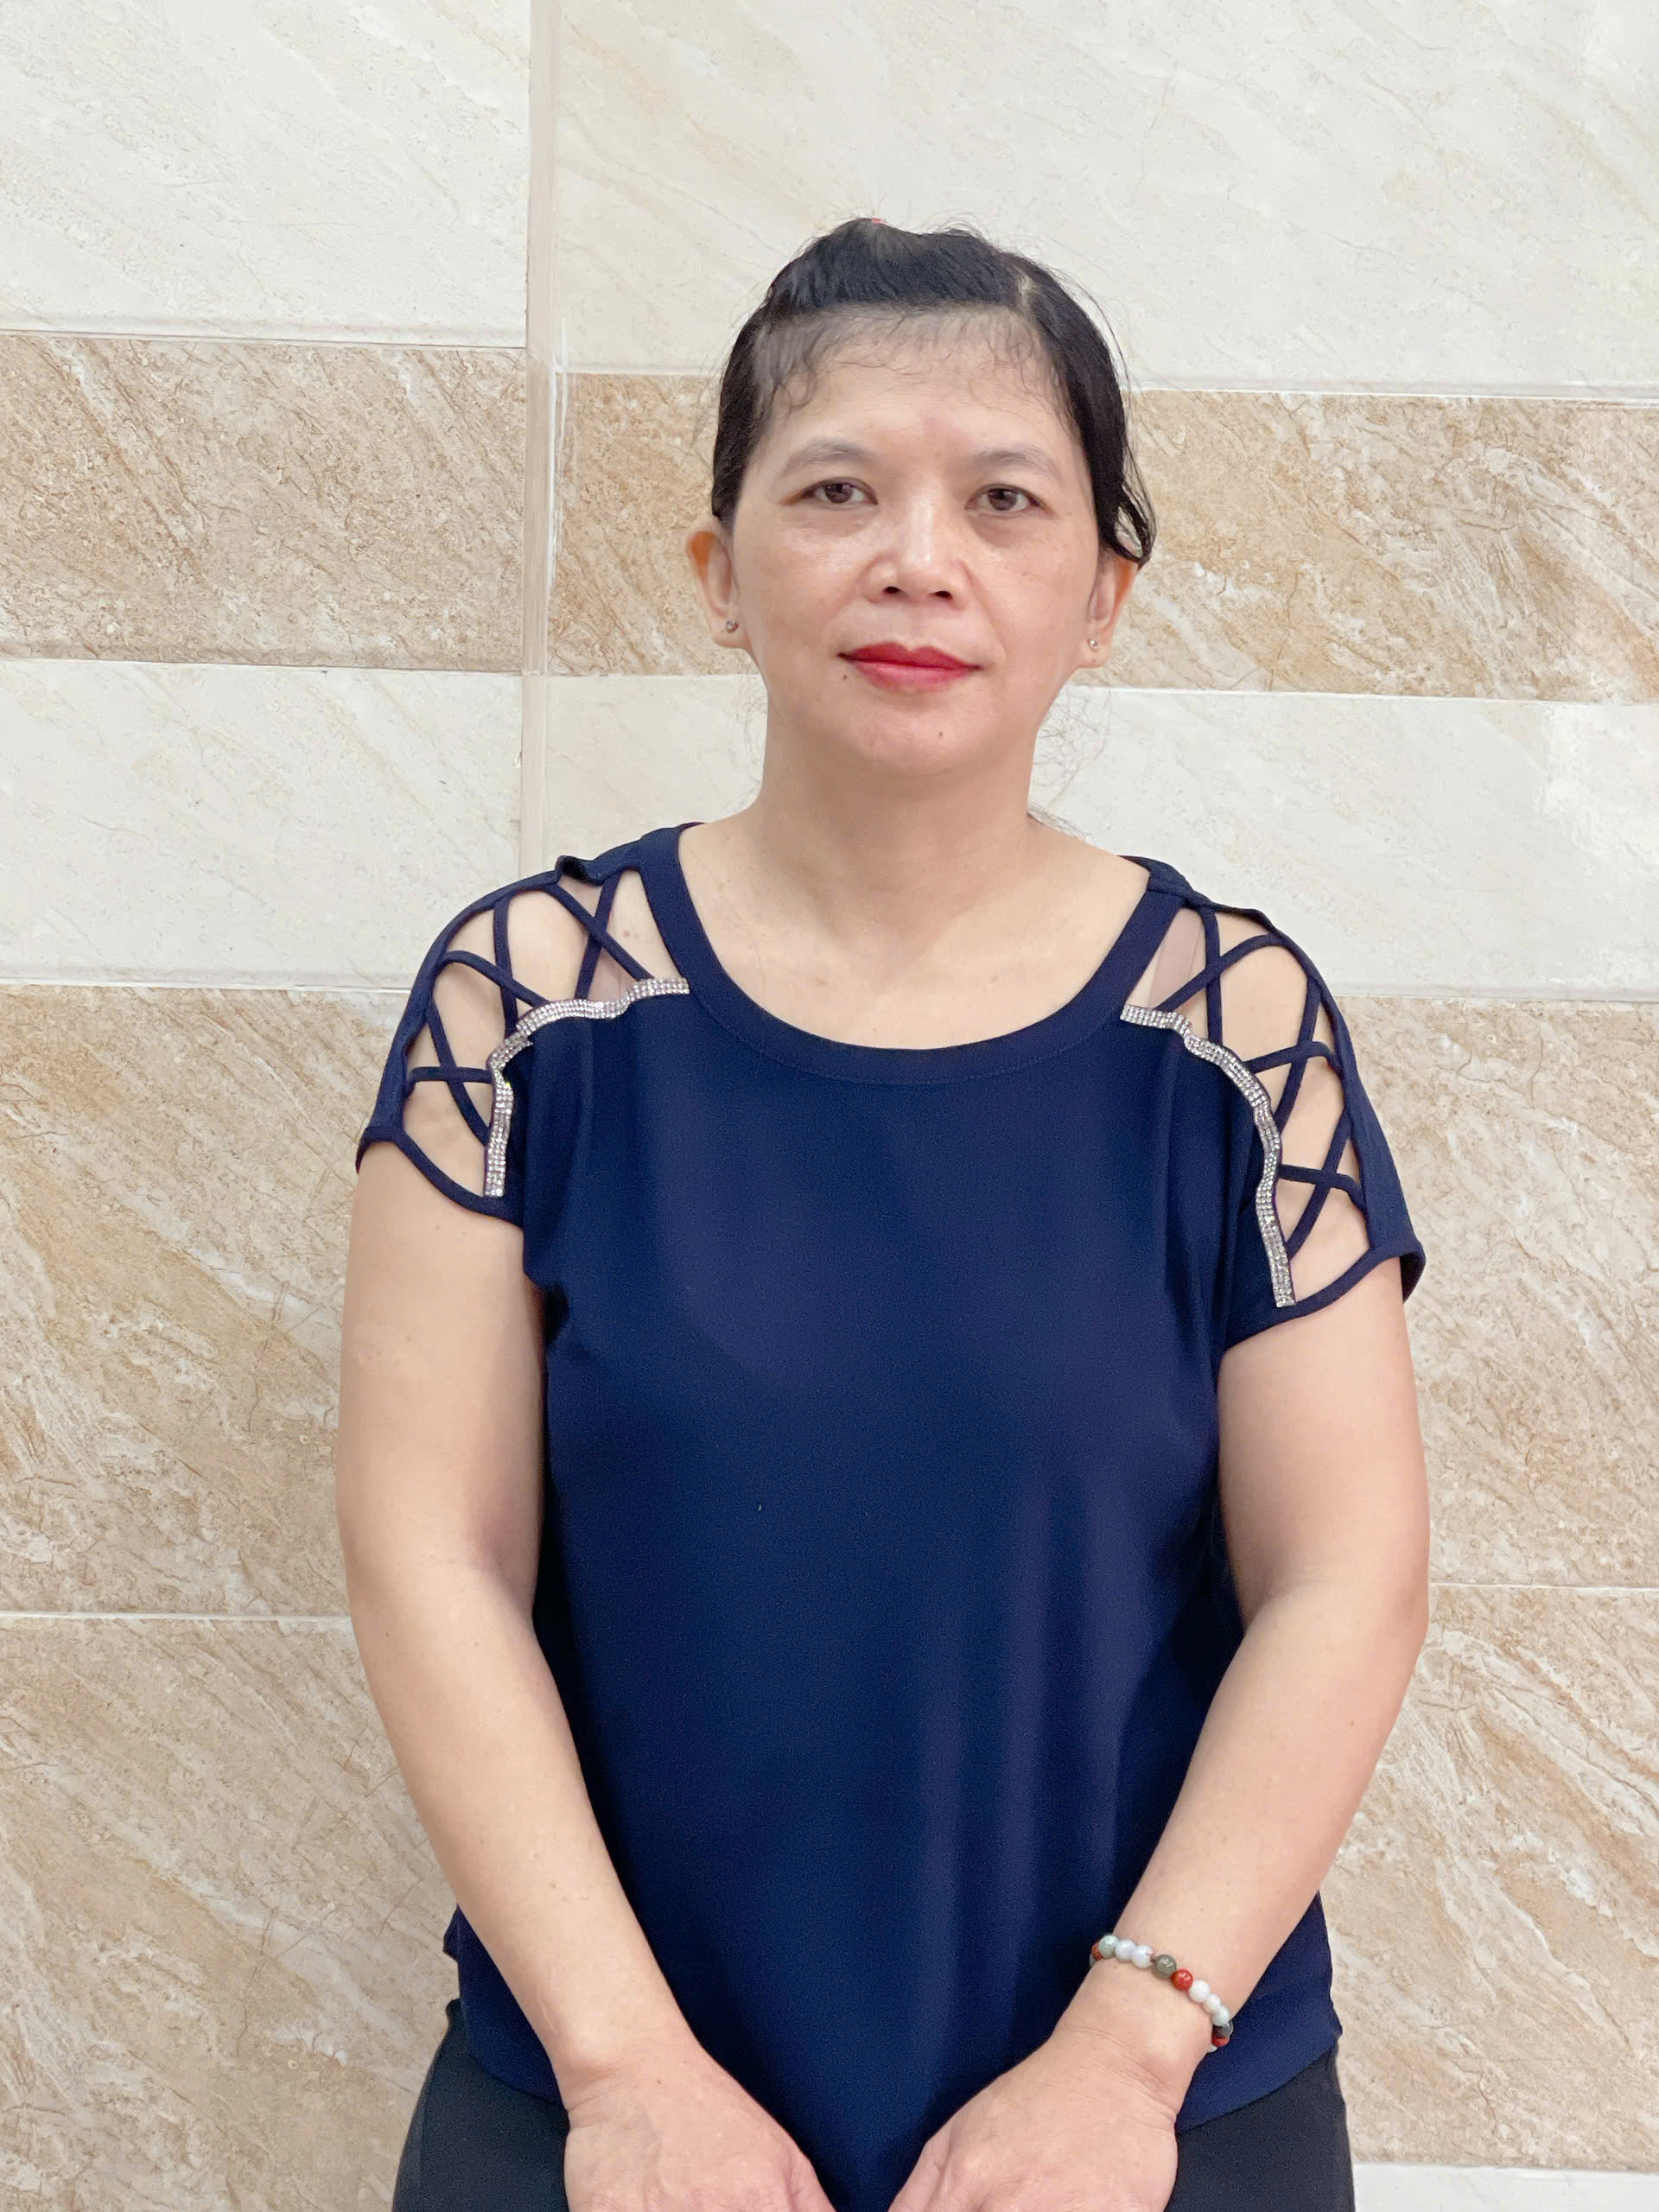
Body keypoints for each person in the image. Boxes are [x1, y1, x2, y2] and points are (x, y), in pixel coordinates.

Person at [336, 217, 1429, 2212]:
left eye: (1003, 500)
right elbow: (431, 1552)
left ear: (1102, 594)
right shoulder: (525, 1007)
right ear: (717, 569)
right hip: (606, 2109)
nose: (918, 558)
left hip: (1153, 2115)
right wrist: (626, 2070)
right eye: (836, 490)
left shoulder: (1235, 1029)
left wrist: (1123, 2057)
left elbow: (1346, 1574)